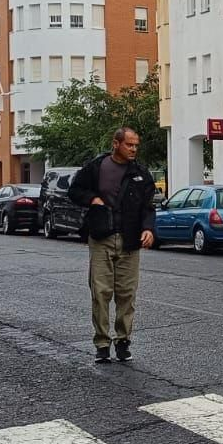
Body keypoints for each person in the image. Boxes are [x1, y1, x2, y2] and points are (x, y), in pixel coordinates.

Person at [67, 126, 157, 364]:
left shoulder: (140, 173)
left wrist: (148, 228)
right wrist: (92, 199)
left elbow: (148, 206)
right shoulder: (96, 167)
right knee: (100, 292)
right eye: (129, 144)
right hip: (101, 237)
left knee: (127, 294)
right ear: (116, 143)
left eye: (136, 145)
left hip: (130, 240)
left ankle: (123, 340)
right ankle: (102, 343)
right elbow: (74, 190)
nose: (134, 149)